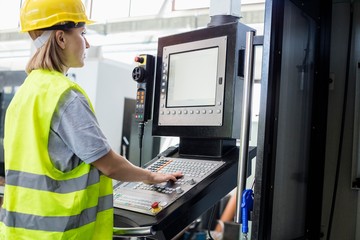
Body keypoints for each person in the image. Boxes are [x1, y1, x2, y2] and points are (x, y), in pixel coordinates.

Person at [0, 0, 182, 239]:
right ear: (61, 38)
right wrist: (151, 176)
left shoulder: (23, 94)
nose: (87, 42)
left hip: (18, 233)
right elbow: (108, 164)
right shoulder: (64, 95)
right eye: (82, 33)